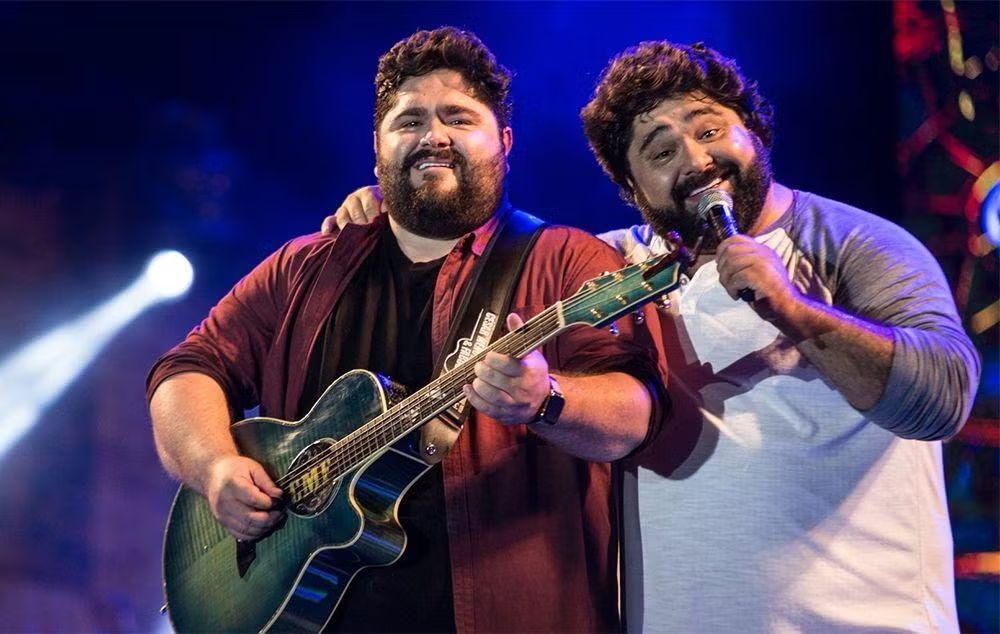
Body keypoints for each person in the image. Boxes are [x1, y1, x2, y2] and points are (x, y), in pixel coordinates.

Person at [327, 40, 980, 633]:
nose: (697, 160)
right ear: (633, 190)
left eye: (710, 130)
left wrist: (793, 309)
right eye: (661, 151)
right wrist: (396, 216)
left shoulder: (853, 244)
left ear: (754, 133)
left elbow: (942, 400)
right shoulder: (607, 269)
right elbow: (468, 267)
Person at [147, 27, 668, 633]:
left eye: (458, 117)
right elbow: (186, 370)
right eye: (410, 120)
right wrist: (215, 468)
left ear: (503, 143)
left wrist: (547, 400)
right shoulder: (303, 267)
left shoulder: (567, 262)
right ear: (377, 149)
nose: (434, 135)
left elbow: (639, 414)